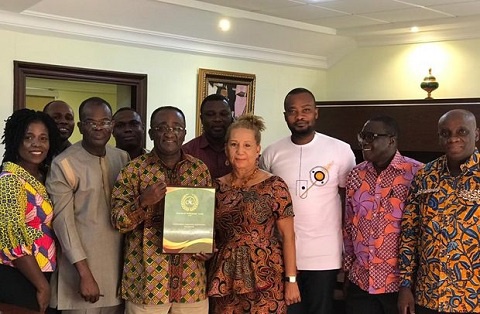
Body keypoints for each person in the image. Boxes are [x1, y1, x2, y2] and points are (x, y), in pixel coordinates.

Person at [259, 87, 356, 314]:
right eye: (292, 111)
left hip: (324, 253)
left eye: (306, 110)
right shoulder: (272, 153)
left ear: (316, 113)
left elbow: (348, 201)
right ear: (285, 116)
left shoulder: (340, 150)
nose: (299, 116)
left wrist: (347, 250)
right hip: (282, 252)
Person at [111, 106, 212, 314]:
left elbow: (208, 219)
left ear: (184, 133)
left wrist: (207, 247)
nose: (169, 133)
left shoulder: (199, 170)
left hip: (191, 284)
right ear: (150, 133)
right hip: (146, 284)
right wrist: (143, 202)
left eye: (177, 128)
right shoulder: (133, 170)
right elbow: (118, 222)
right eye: (161, 127)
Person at [208, 114, 300, 313]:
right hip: (225, 275)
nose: (240, 151)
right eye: (234, 144)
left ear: (258, 149)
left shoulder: (274, 185)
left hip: (265, 274)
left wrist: (291, 280)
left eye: (247, 145)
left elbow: (288, 236)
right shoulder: (215, 187)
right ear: (226, 148)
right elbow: (208, 232)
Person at [46, 97, 129, 313]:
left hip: (118, 275)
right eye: (91, 122)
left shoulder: (121, 158)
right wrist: (84, 274)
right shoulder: (64, 164)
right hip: (80, 278)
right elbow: (63, 224)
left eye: (105, 121)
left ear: (112, 125)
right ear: (81, 127)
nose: (99, 127)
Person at [398, 109, 480, 314]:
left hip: (472, 298)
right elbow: (410, 233)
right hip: (429, 295)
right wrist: (405, 286)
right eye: (445, 133)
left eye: (462, 131)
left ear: (476, 134)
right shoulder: (425, 175)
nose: (453, 138)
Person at [343, 115, 423, 314]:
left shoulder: (417, 173)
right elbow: (349, 225)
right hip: (360, 282)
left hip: (399, 286)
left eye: (371, 136)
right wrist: (347, 271)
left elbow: (422, 231)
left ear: (391, 140)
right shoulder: (356, 174)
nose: (364, 142)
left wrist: (411, 284)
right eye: (362, 136)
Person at [0, 109, 60, 313]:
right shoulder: (10, 180)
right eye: (29, 138)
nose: (37, 144)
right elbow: (11, 239)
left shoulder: (43, 177)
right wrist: (42, 286)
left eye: (43, 138)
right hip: (18, 277)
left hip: (42, 273)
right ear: (16, 141)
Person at [183, 94, 233, 179]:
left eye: (223, 114)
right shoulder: (186, 153)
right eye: (210, 114)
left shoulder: (242, 152)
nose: (217, 119)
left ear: (231, 118)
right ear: (202, 119)